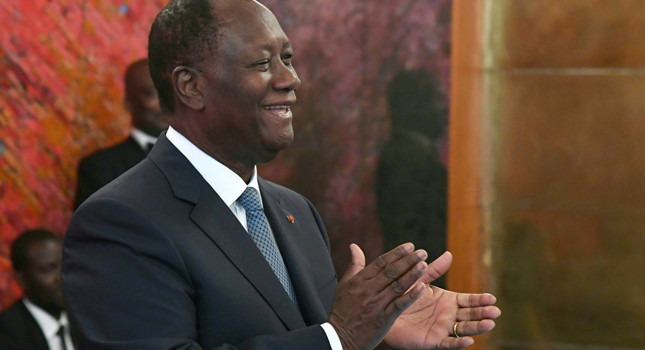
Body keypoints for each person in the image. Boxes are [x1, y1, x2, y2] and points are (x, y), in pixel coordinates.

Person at [61, 1, 501, 350]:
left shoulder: (296, 211)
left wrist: (377, 331)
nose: (292, 78)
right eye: (262, 63)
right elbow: (329, 340)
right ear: (191, 86)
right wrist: (340, 336)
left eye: (287, 58)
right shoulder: (118, 222)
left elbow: (317, 337)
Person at [376, 71, 449, 289]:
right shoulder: (406, 158)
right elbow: (407, 234)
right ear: (415, 107)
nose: (445, 109)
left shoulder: (412, 154)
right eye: (436, 99)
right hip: (423, 285)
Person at [73, 58, 169, 209]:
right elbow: (92, 229)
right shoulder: (100, 168)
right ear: (128, 104)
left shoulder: (207, 155)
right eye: (151, 93)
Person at [0, 229, 75, 350]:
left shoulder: (84, 319)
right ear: (22, 280)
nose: (63, 277)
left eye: (66, 265)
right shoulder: (4, 333)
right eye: (48, 269)